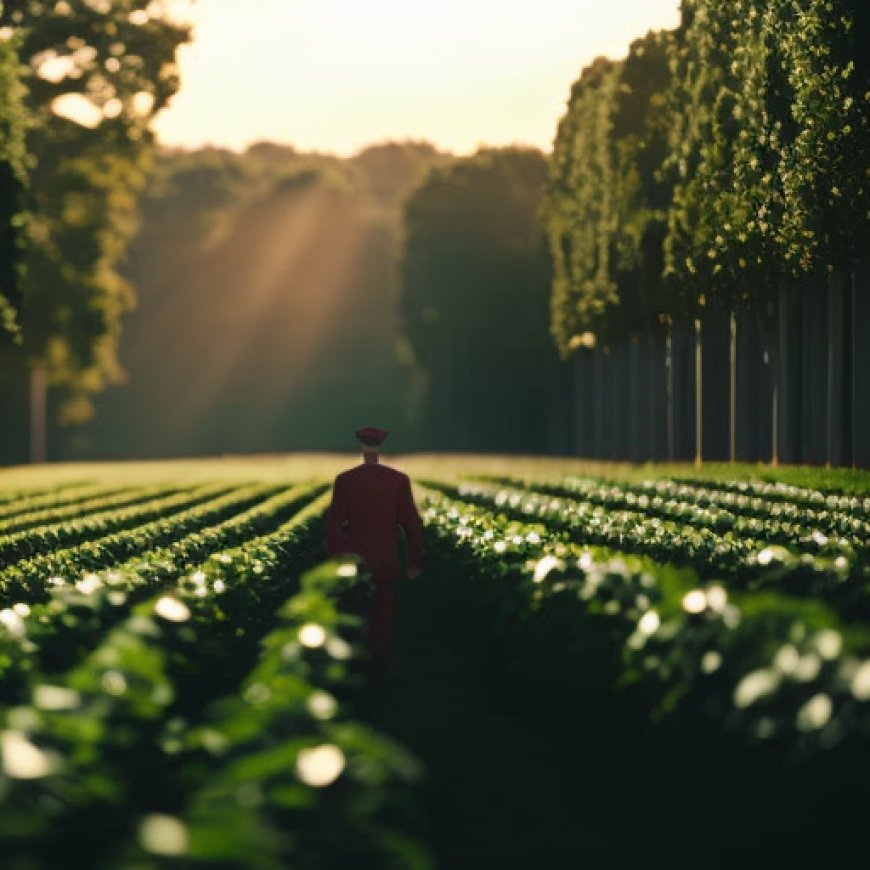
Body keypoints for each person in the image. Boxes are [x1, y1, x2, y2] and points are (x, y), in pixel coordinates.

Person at [325, 426, 424, 681]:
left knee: (356, 612)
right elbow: (411, 524)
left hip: (355, 561)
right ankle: (381, 667)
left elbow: (334, 526)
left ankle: (356, 667)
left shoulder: (345, 480)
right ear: (380, 449)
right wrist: (415, 561)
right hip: (386, 560)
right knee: (384, 613)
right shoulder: (398, 480)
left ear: (362, 449)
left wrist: (334, 559)